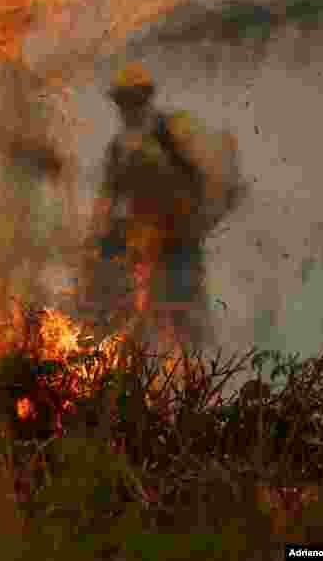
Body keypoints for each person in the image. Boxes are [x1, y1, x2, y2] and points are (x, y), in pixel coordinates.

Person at [83, 61, 247, 361]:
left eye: (135, 98)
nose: (128, 107)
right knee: (146, 325)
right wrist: (98, 243)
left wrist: (203, 220)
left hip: (179, 243)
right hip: (142, 252)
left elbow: (213, 177)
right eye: (123, 100)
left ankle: (202, 381)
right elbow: (106, 203)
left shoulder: (171, 133)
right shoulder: (119, 149)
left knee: (189, 322)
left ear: (147, 97)